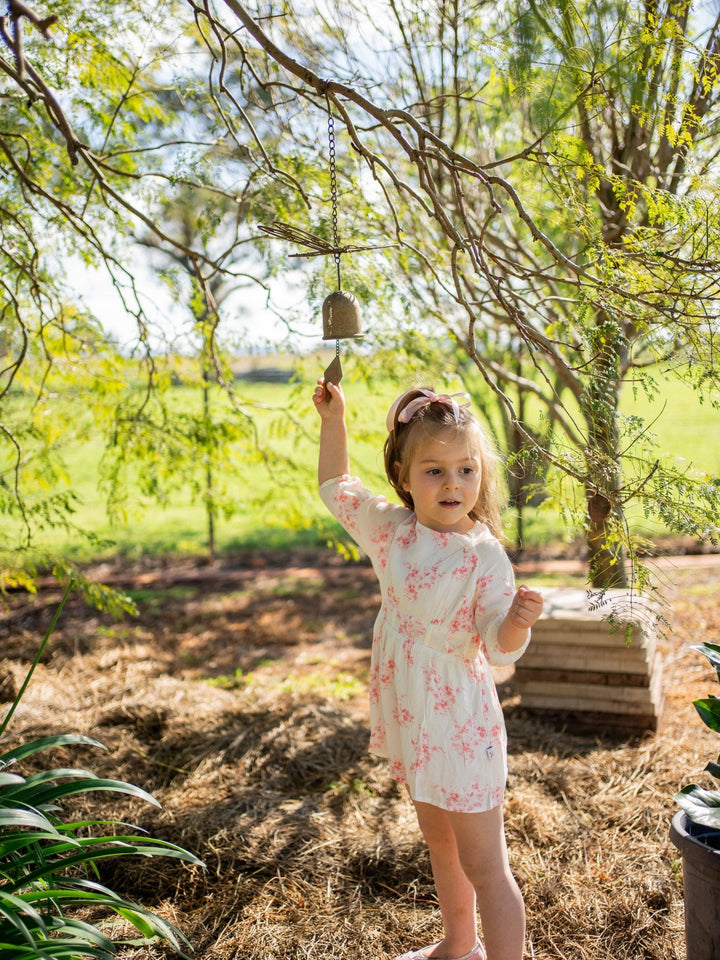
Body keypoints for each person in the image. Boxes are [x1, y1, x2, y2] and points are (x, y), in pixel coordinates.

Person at [313, 380, 544, 960]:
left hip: (460, 726)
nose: (453, 484)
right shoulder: (391, 531)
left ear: (481, 474)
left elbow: (497, 646)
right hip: (415, 716)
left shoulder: (482, 555)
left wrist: (518, 620)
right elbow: (335, 487)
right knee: (440, 843)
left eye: (466, 470)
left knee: (485, 863)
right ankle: (458, 943)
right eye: (434, 470)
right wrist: (334, 419)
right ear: (404, 473)